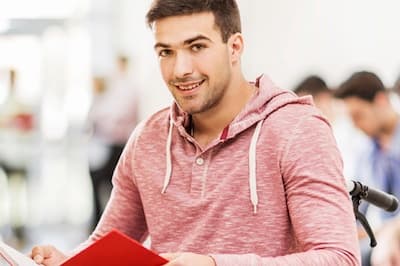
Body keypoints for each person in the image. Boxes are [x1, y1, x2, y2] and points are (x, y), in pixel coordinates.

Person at [30, 1, 360, 265]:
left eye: (197, 47)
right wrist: (69, 260)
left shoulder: (296, 130)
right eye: (166, 52)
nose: (180, 69)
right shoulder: (148, 139)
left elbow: (339, 258)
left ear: (235, 47)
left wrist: (215, 264)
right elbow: (106, 246)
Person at [335, 71, 400, 266]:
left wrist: (390, 232)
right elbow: (357, 203)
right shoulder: (368, 152)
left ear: (380, 101)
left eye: (358, 116)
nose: (356, 125)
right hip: (382, 238)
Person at [86, 56, 139, 230]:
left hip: (117, 145)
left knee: (113, 186)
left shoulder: (127, 89)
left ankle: (110, 226)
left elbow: (118, 117)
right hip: (102, 145)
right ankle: (99, 224)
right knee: (99, 185)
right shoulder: (108, 92)